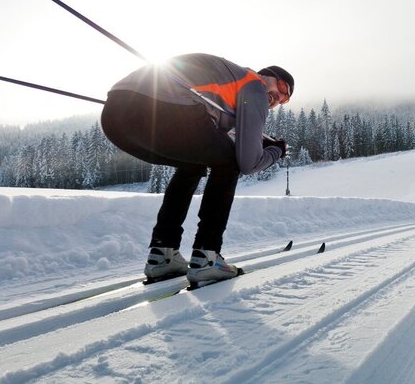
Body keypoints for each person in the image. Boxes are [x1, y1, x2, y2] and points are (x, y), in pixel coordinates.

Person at [101, 53, 294, 286]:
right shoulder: (254, 84)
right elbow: (248, 162)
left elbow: (211, 138)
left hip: (115, 116)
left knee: (193, 162)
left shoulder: (229, 84)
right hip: (166, 108)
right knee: (230, 162)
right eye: (281, 87)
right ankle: (207, 256)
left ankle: (163, 253)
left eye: (285, 99)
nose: (279, 97)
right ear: (265, 75)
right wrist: (276, 151)